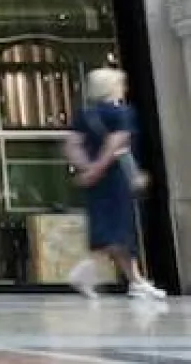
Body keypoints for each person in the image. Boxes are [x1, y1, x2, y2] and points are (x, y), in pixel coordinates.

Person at [64, 67, 166, 300]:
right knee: (119, 229)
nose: (124, 88)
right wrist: (99, 168)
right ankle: (87, 272)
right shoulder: (122, 113)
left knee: (111, 229)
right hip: (115, 178)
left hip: (95, 182)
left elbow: (72, 145)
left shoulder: (84, 114)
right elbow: (117, 143)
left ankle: (135, 281)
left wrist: (87, 169)